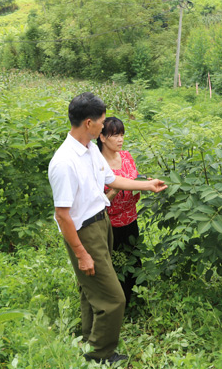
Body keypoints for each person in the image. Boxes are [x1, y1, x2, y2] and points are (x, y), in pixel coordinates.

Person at [48, 92, 167, 365]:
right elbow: (63, 216)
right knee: (114, 299)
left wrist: (148, 185)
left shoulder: (90, 149)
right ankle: (100, 354)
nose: (105, 126)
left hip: (102, 222)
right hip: (84, 231)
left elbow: (112, 178)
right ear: (89, 123)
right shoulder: (64, 162)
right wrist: (81, 253)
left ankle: (89, 338)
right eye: (102, 122)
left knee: (91, 289)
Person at [97, 116, 141, 307]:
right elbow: (96, 203)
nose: (120, 140)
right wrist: (115, 190)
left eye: (122, 135)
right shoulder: (97, 164)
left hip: (131, 218)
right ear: (103, 137)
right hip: (109, 223)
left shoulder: (126, 156)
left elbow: (135, 178)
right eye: (115, 135)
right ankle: (116, 304)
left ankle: (136, 300)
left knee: (134, 259)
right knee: (112, 264)